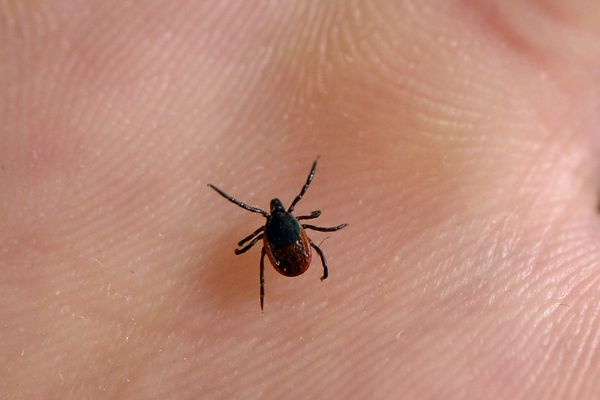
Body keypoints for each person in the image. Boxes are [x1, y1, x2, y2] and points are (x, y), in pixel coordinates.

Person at [1, 2, 599, 398]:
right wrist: (315, 246)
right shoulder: (290, 233)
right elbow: (300, 234)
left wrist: (274, 248)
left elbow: (252, 246)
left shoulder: (268, 239)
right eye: (281, 218)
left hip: (284, 265)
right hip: (298, 264)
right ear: (290, 226)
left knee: (269, 261)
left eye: (279, 218)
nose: (280, 216)